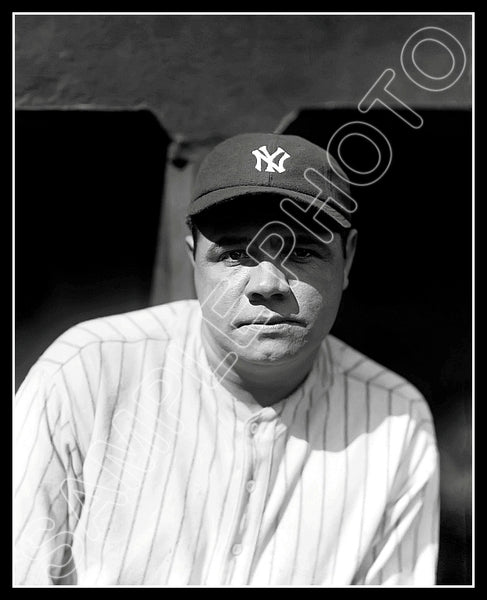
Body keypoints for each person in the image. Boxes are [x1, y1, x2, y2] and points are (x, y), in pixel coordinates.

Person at [14, 132, 439, 586]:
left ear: (347, 258)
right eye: (235, 254)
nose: (269, 283)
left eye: (302, 251)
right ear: (193, 256)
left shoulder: (396, 420)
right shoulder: (88, 373)